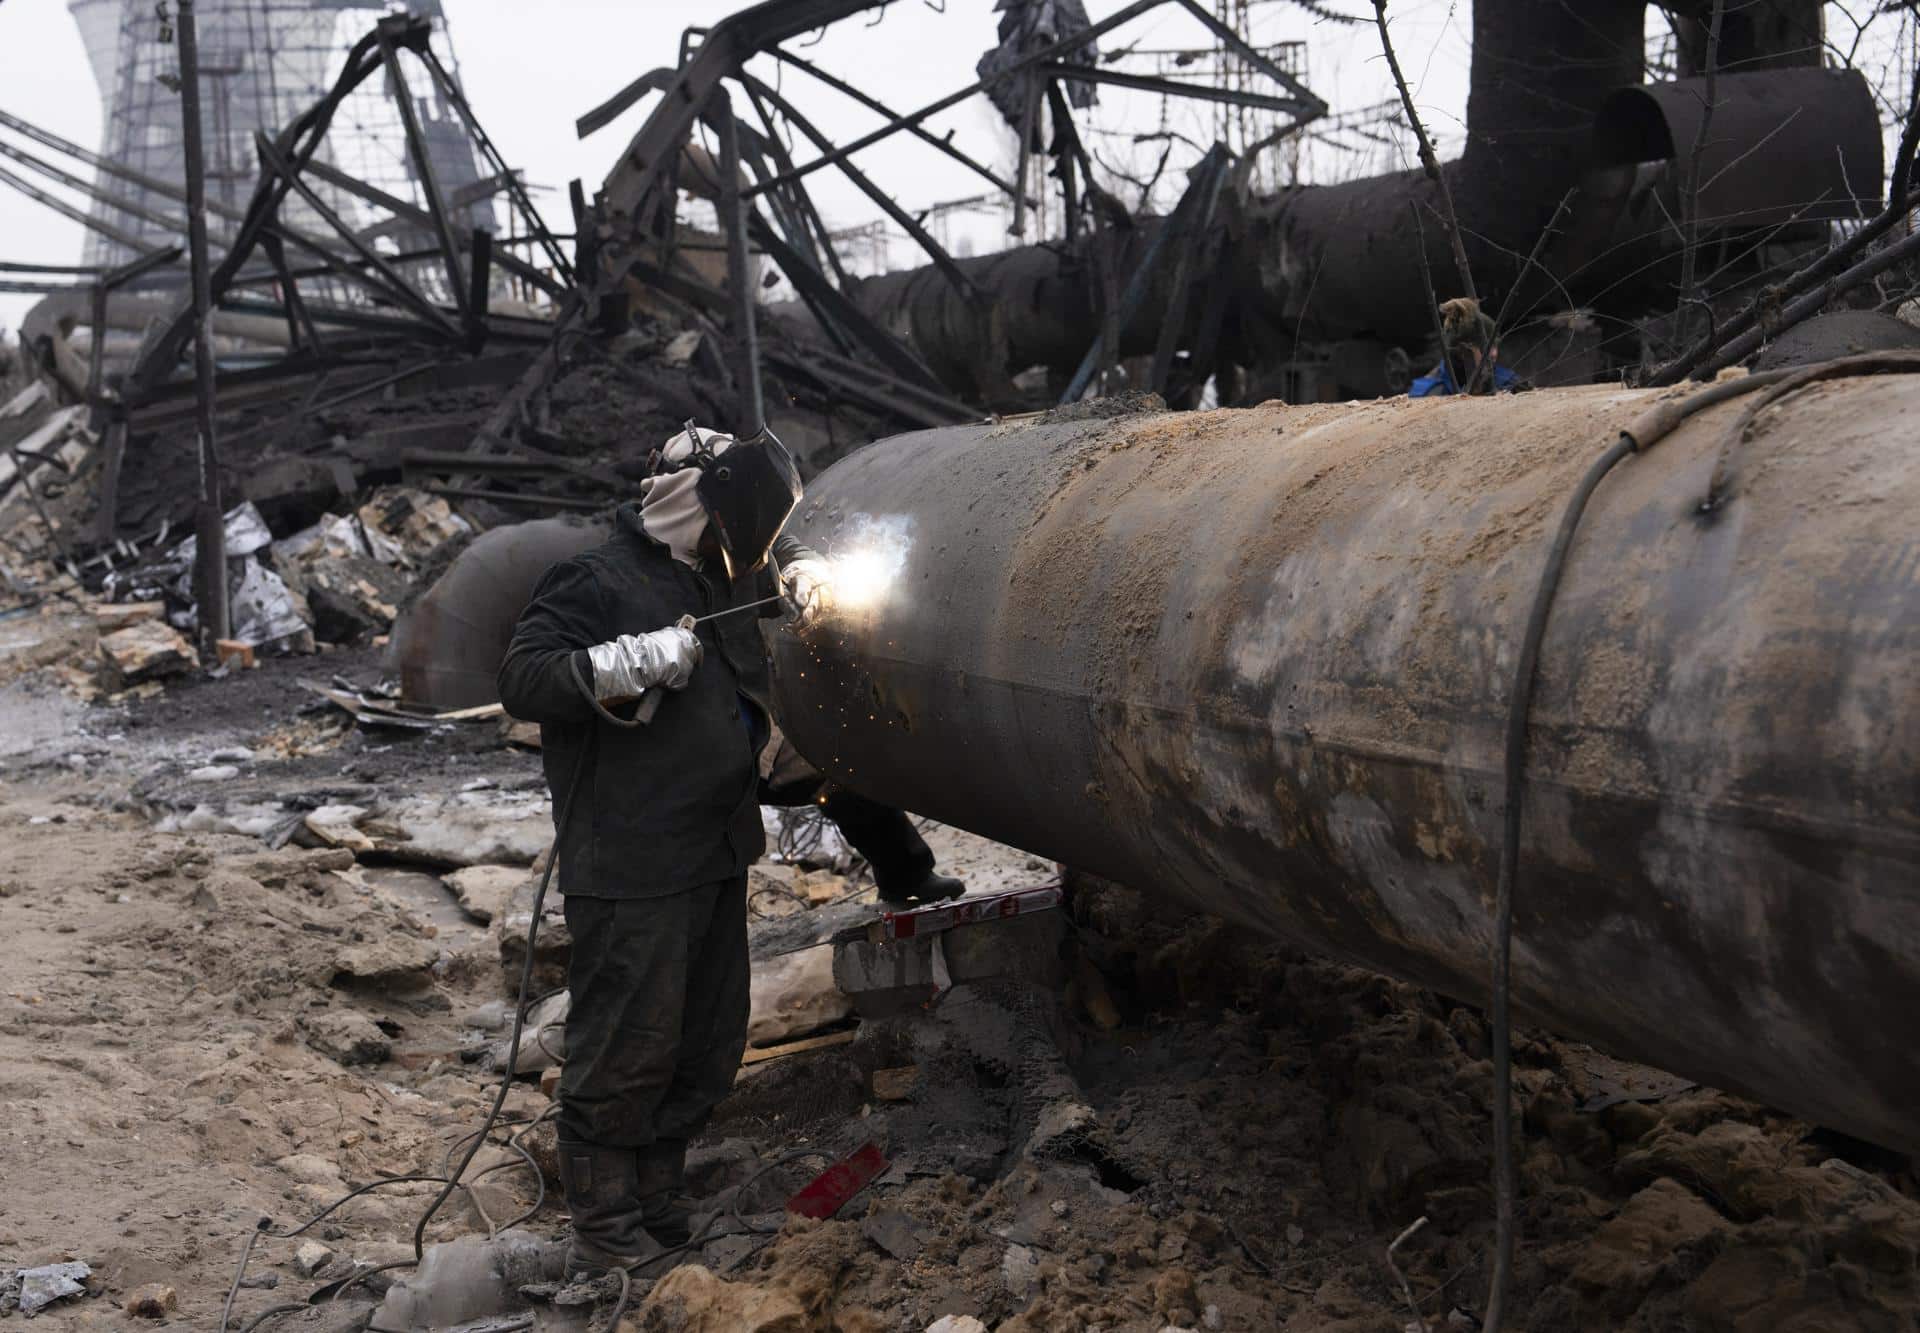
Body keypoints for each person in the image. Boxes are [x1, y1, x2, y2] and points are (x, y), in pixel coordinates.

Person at [496, 422, 952, 1275]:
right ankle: (603, 1223)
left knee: (706, 1040)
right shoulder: (593, 579)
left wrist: (802, 585)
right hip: (631, 861)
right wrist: (611, 664)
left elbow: (765, 605)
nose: (738, 550)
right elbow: (521, 677)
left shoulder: (718, 578)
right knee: (627, 1043)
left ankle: (658, 1198)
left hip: (713, 847)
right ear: (689, 501)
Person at [1410, 296, 1518, 397]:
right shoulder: (1431, 393)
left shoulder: (1507, 382)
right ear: (1463, 351)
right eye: (1486, 347)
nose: (1494, 353)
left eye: (1495, 345)